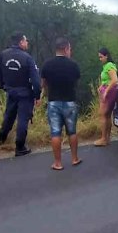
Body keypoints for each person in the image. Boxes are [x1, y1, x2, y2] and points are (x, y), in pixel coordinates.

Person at [0, 32, 41, 156]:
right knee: (23, 119)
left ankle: (1, 139)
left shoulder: (3, 55)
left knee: (9, 117)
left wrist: (2, 86)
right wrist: (37, 95)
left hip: (10, 91)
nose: (27, 43)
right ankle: (20, 146)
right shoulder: (27, 58)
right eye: (26, 41)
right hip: (25, 93)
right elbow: (36, 80)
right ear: (21, 42)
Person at [40, 37, 82, 170]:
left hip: (53, 102)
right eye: (70, 49)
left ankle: (58, 163)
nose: (71, 51)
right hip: (70, 101)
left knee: (55, 133)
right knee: (72, 131)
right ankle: (74, 158)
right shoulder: (73, 65)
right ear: (65, 49)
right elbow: (76, 82)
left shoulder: (47, 64)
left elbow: (43, 84)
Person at [94, 47, 118, 146]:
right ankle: (107, 138)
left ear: (106, 56)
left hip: (109, 92)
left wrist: (106, 92)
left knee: (103, 114)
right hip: (107, 90)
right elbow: (107, 80)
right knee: (107, 115)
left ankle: (104, 138)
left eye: (101, 57)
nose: (100, 59)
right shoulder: (106, 66)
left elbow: (114, 80)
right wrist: (101, 86)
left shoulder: (109, 66)